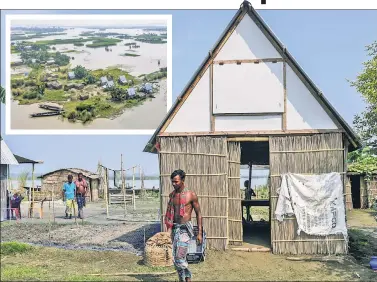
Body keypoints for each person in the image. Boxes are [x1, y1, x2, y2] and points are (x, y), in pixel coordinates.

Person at [165, 169, 203, 282]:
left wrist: (199, 233)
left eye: (176, 181)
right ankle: (183, 279)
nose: (173, 184)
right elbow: (170, 215)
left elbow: (199, 214)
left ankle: (188, 277)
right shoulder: (172, 196)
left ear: (182, 181)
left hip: (185, 229)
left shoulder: (191, 195)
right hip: (175, 229)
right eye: (172, 181)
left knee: (179, 258)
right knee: (175, 257)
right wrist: (168, 230)